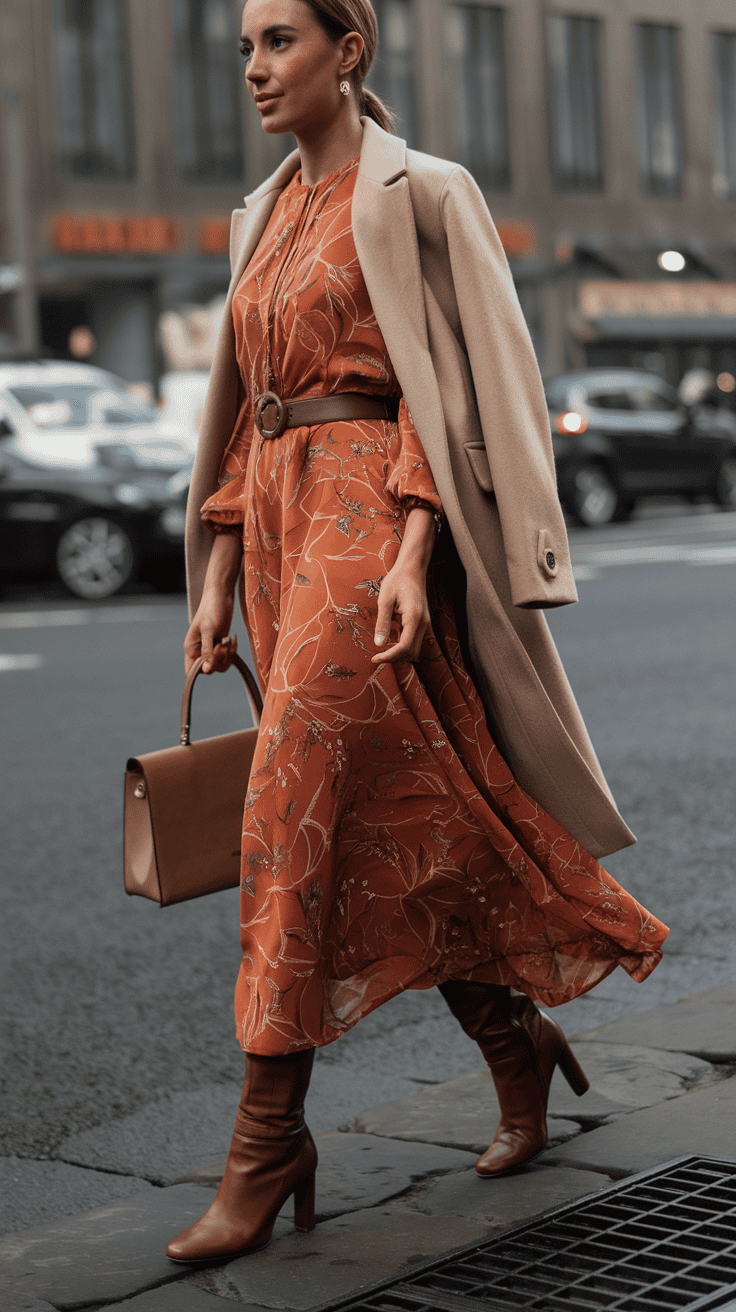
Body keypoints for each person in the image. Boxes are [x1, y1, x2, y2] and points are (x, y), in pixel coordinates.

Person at [167, 0, 668, 1265]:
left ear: (351, 48)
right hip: (279, 533)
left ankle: (265, 1136)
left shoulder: (425, 190)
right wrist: (217, 569)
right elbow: (244, 414)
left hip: (369, 522)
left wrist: (411, 547)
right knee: (406, 813)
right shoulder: (259, 214)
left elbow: (467, 388)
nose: (255, 68)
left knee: (289, 802)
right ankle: (516, 1038)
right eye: (243, 47)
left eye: (279, 40)